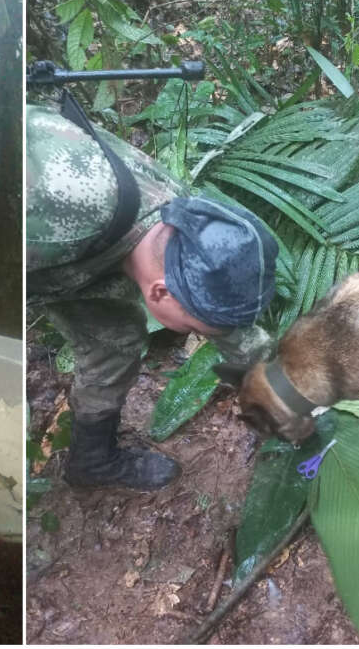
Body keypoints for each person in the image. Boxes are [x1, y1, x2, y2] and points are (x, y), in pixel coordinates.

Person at [27, 103, 278, 491]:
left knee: (115, 340)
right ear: (159, 291)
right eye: (192, 328)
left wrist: (285, 389)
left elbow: (222, 319)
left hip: (82, 257)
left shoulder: (184, 224)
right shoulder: (54, 224)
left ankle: (91, 462)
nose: (197, 332)